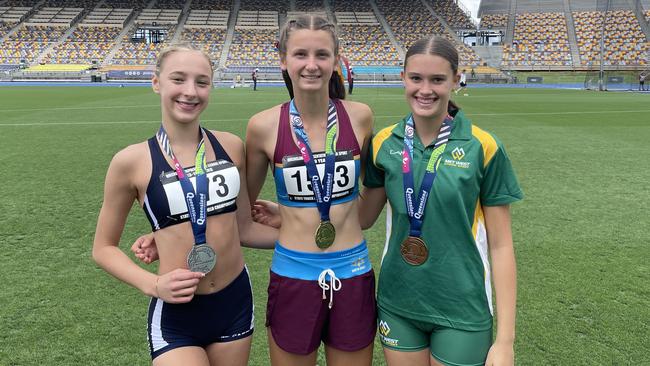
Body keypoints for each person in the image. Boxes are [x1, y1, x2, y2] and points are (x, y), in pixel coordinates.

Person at [92, 43, 277, 366]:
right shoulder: (130, 162)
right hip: (177, 314)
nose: (190, 91)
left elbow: (244, 228)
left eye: (202, 82)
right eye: (178, 79)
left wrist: (302, 235)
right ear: (156, 82)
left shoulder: (231, 147)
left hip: (234, 302)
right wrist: (153, 284)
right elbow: (103, 248)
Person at [361, 36, 522, 366]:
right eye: (416, 78)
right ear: (402, 78)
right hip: (398, 302)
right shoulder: (383, 143)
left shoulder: (484, 147)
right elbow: (362, 217)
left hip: (462, 308)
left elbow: (502, 245)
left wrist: (505, 340)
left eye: (437, 80)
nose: (425, 90)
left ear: (455, 80)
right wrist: (292, 212)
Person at [246, 14, 375, 366]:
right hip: (292, 275)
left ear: (336, 61)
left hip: (354, 272)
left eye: (322, 55)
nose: (311, 65)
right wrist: (290, 226)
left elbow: (363, 208)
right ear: (283, 60)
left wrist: (295, 216)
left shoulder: (360, 116)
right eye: (300, 54)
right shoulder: (262, 127)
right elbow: (242, 221)